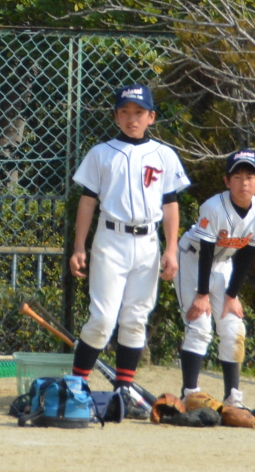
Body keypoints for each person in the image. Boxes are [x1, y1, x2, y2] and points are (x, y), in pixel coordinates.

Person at [68, 85, 190, 392]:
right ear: (116, 117)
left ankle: (123, 391)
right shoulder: (101, 153)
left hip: (148, 242)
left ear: (151, 117)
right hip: (111, 238)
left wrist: (171, 249)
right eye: (125, 112)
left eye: (138, 112)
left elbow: (170, 204)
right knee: (102, 319)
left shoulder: (164, 154)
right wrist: (79, 246)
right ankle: (77, 386)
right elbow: (87, 201)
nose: (131, 118)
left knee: (136, 319)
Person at [174, 149, 255, 406]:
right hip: (192, 258)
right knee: (199, 324)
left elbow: (247, 255)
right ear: (227, 181)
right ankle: (190, 393)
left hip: (224, 263)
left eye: (250, 177)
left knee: (233, 327)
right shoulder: (214, 206)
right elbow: (206, 252)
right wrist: (202, 295)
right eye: (237, 177)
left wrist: (231, 296)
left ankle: (232, 397)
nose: (243, 183)